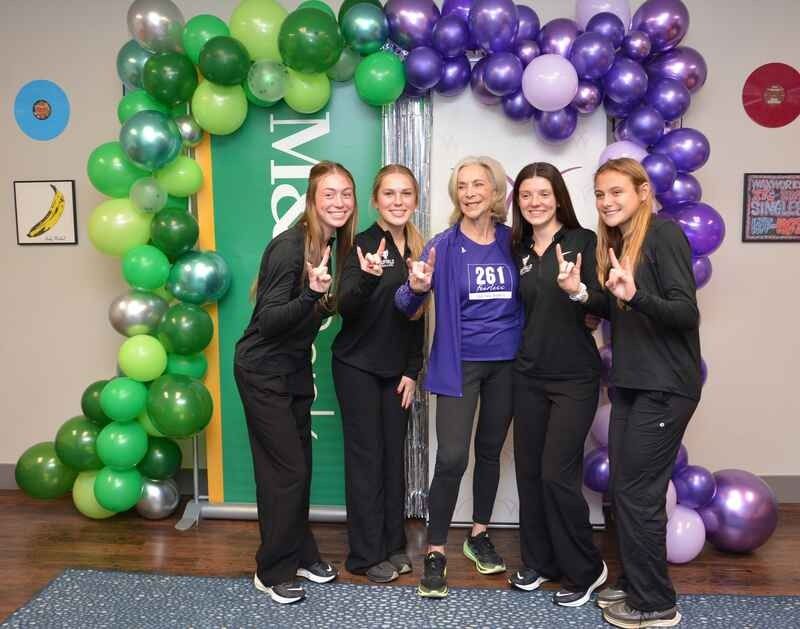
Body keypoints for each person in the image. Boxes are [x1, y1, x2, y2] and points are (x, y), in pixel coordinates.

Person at [559, 157, 701, 627]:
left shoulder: (663, 234)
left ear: (642, 192)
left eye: (616, 192)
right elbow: (619, 308)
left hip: (665, 386)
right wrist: (582, 292)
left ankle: (656, 603)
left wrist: (636, 294)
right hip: (633, 383)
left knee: (639, 493)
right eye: (600, 194)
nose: (606, 202)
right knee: (625, 491)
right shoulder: (619, 243)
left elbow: (685, 313)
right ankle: (637, 582)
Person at [396, 156, 522, 598]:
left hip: (508, 365)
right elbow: (407, 306)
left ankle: (479, 534)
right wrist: (414, 286)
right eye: (462, 186)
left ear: (495, 192)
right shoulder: (442, 246)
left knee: (490, 451)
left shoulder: (514, 241)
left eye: (478, 185)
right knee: (452, 457)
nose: (469, 193)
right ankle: (435, 551)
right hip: (460, 366)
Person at [233, 161, 358, 605]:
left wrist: (321, 300)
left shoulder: (329, 246)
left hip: (292, 370)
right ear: (311, 199)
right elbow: (269, 322)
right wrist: (311, 294)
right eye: (329, 193)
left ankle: (300, 551)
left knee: (296, 466)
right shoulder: (290, 248)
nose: (339, 202)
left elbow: (305, 317)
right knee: (285, 472)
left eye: (346, 193)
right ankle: (272, 570)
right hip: (263, 369)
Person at [508, 162, 608, 607]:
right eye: (526, 195)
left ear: (559, 197)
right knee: (529, 474)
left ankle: (585, 569)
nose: (534, 202)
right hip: (527, 374)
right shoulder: (519, 248)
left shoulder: (584, 240)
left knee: (557, 474)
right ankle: (541, 561)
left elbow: (608, 302)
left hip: (574, 377)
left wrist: (579, 292)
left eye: (543, 194)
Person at [331, 164, 425, 583]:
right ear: (375, 201)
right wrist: (367, 278)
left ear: (415, 201)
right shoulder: (361, 245)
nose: (398, 201)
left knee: (393, 459)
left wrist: (412, 370)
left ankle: (392, 545)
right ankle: (364, 556)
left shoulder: (417, 249)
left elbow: (416, 316)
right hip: (357, 367)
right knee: (366, 460)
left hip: (395, 373)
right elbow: (344, 307)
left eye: (406, 194)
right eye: (389, 194)